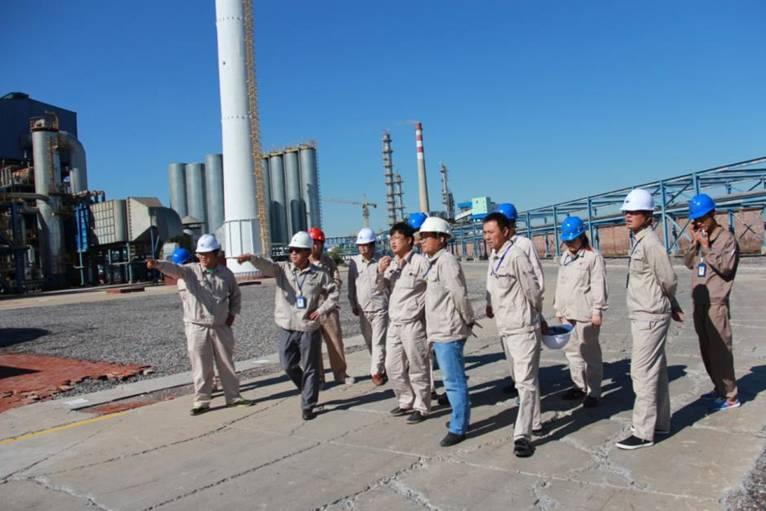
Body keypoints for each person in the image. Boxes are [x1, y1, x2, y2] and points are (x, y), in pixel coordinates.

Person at [237, 231, 339, 420]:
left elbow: (334, 292)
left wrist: (322, 309)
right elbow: (267, 266)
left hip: (308, 327)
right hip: (287, 325)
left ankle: (308, 405)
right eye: (291, 250)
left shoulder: (319, 274)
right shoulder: (283, 269)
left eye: (297, 251)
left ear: (307, 252)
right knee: (287, 365)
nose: (293, 253)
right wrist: (251, 258)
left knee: (311, 367)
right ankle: (307, 389)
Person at [147, 234, 252, 415]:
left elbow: (235, 295)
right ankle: (202, 401)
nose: (202, 257)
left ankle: (234, 397)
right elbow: (174, 269)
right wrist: (157, 264)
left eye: (206, 254)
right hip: (197, 326)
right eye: (200, 254)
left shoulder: (226, 274)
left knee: (226, 364)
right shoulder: (190, 271)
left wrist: (232, 314)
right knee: (201, 366)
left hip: (220, 326)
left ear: (216, 254)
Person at [616, 189, 683, 450]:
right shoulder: (639, 240)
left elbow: (668, 278)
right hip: (645, 313)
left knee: (641, 372)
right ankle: (661, 423)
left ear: (647, 215)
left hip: (650, 315)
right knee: (657, 371)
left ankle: (643, 432)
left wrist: (669, 302)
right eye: (627, 212)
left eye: (634, 212)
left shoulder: (650, 244)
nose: (628, 216)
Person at [483, 212, 543, 457]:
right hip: (506, 327)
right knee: (524, 380)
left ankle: (522, 435)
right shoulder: (495, 255)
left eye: (491, 232)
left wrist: (536, 316)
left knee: (525, 382)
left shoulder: (517, 255)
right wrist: (490, 305)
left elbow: (533, 290)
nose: (487, 237)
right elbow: (494, 286)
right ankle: (534, 421)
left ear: (506, 231)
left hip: (523, 327)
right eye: (485, 233)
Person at [419, 216, 475, 447]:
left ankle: (459, 427)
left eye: (426, 236)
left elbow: (458, 294)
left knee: (453, 381)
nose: (422, 241)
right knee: (451, 379)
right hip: (439, 330)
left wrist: (468, 319)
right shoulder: (434, 262)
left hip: (449, 331)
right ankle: (458, 419)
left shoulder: (446, 262)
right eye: (421, 237)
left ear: (441, 238)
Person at [682, 194, 740, 411]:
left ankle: (731, 396)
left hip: (716, 303)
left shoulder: (726, 239)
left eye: (702, 218)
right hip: (699, 302)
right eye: (695, 219)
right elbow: (688, 263)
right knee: (706, 349)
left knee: (720, 351)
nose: (699, 223)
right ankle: (719, 388)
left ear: (713, 214)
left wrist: (707, 247)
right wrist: (694, 243)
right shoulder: (700, 238)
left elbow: (727, 268)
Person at [378, 222, 431, 424]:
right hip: (395, 322)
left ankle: (422, 406)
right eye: (391, 239)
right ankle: (405, 400)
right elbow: (380, 289)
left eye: (397, 238)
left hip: (412, 322)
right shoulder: (391, 264)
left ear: (409, 240)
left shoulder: (419, 262)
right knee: (392, 366)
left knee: (418, 366)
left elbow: (432, 288)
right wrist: (380, 272)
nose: (393, 242)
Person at [552, 216, 608, 408]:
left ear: (582, 236)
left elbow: (599, 284)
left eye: (572, 239)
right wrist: (558, 308)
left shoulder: (593, 257)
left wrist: (597, 310)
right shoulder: (565, 257)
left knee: (590, 353)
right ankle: (579, 386)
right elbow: (561, 284)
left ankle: (594, 391)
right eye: (566, 240)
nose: (569, 243)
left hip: (586, 313)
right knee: (572, 352)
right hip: (568, 313)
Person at [494, 202, 545, 397]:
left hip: (522, 308)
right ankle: (516, 382)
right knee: (509, 351)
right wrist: (490, 302)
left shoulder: (523, 244)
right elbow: (492, 276)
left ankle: (527, 391)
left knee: (524, 354)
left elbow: (536, 276)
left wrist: (536, 306)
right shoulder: (496, 248)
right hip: (504, 309)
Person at [308, 227, 355, 385]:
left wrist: (329, 290)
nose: (315, 246)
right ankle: (318, 378)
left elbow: (337, 280)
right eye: (313, 242)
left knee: (335, 342)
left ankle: (340, 374)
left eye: (318, 242)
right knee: (313, 346)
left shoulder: (328, 262)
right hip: (310, 310)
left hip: (328, 308)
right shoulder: (304, 262)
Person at [348, 227, 389, 385]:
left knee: (378, 341)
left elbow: (389, 282)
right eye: (360, 245)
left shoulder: (382, 260)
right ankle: (382, 367)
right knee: (370, 341)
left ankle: (375, 373)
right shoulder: (354, 262)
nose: (362, 248)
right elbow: (351, 285)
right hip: (363, 309)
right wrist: (352, 303)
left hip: (380, 307)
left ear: (372, 245)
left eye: (365, 245)